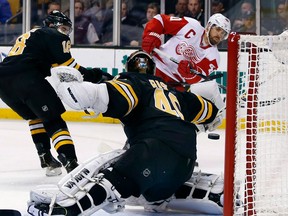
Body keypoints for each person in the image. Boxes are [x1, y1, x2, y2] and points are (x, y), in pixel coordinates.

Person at [27, 50, 221, 215]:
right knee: (152, 191)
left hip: (153, 150)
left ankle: (65, 209)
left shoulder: (132, 83)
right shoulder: (173, 92)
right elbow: (211, 111)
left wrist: (69, 84)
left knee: (113, 175)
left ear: (129, 69)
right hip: (186, 157)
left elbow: (93, 96)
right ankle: (210, 193)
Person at [0, 10, 111, 176]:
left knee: (35, 116)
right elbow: (71, 67)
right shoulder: (54, 35)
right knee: (53, 120)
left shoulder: (32, 34)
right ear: (53, 25)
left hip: (3, 83)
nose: (66, 33)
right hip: (27, 79)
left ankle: (45, 157)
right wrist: (96, 75)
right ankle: (71, 162)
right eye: (64, 28)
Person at [141, 13, 230, 94]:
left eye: (223, 33)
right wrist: (151, 35)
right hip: (154, 66)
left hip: (174, 83)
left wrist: (189, 72)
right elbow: (161, 20)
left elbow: (197, 77)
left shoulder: (214, 57)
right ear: (209, 26)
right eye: (218, 29)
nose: (220, 35)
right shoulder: (191, 25)